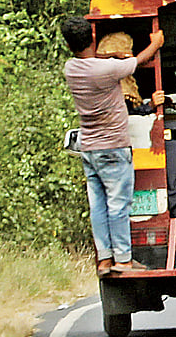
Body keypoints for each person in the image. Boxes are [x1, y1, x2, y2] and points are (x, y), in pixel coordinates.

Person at [61, 18, 164, 276]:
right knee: (118, 205)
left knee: (98, 205)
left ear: (68, 44)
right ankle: (124, 260)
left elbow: (107, 59)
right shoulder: (107, 70)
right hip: (113, 147)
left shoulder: (71, 69)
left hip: (90, 148)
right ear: (93, 40)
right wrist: (156, 43)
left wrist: (115, 54)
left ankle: (105, 260)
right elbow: (139, 61)